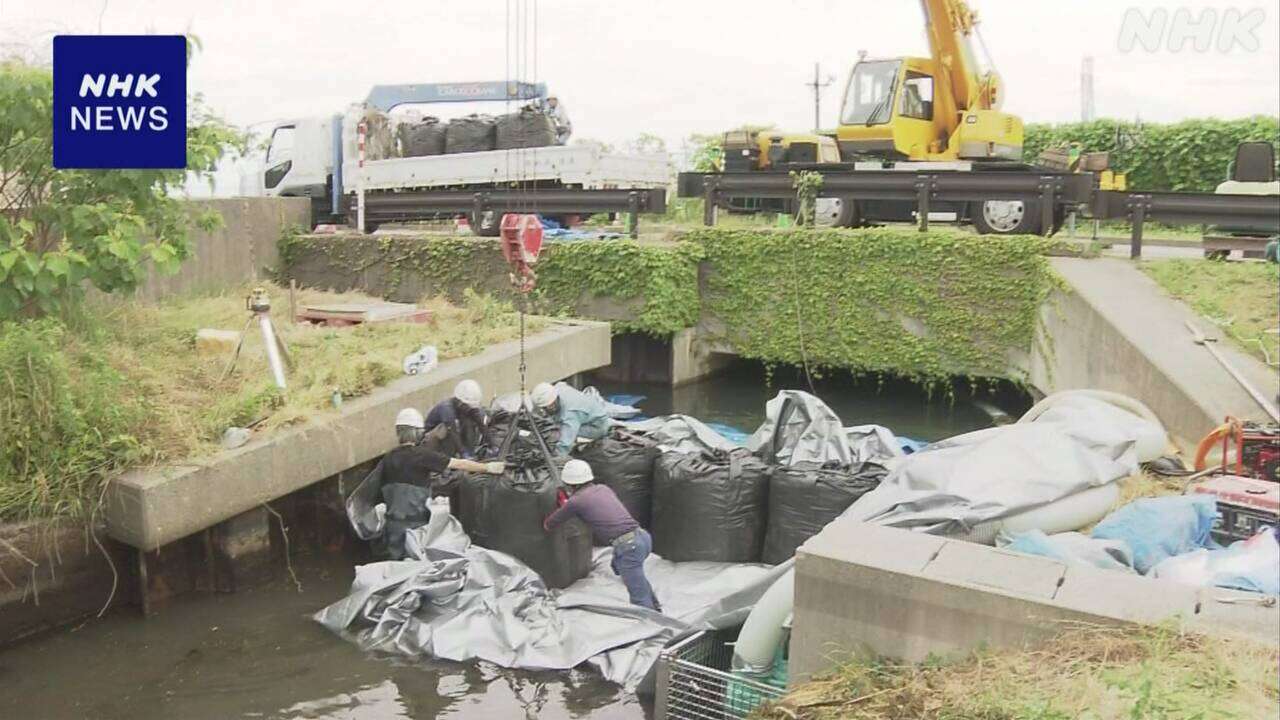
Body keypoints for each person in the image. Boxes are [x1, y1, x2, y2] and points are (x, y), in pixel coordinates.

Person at [543, 459, 660, 611]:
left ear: (570, 484)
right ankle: (655, 605)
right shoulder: (603, 488)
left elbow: (549, 524)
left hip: (629, 546)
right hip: (642, 537)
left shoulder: (576, 501)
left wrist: (563, 505)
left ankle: (650, 620)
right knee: (623, 569)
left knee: (637, 592)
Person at [385, 407, 505, 487]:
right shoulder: (422, 455)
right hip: (419, 518)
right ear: (418, 432)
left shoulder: (389, 457)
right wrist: (487, 467)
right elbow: (460, 464)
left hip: (394, 517)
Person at [531, 382, 611, 455]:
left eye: (547, 408)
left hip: (597, 425)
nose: (544, 411)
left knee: (559, 433)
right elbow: (562, 384)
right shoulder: (557, 389)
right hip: (589, 412)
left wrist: (553, 458)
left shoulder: (570, 413)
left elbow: (565, 444)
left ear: (554, 402)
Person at [425, 379, 487, 458]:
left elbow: (480, 423)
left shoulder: (464, 408)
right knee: (447, 429)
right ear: (460, 402)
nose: (470, 409)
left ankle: (470, 453)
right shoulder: (446, 409)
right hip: (432, 440)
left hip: (452, 433)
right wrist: (463, 453)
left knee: (469, 420)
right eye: (468, 406)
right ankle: (448, 459)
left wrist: (492, 443)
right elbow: (453, 432)